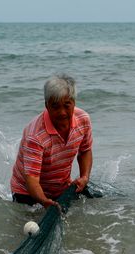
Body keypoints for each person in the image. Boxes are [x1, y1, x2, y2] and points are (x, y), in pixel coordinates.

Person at [11, 74, 93, 208]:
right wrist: (44, 201)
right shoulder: (36, 136)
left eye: (67, 105)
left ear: (74, 102)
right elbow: (31, 179)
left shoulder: (83, 120)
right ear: (46, 106)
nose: (62, 112)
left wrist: (84, 177)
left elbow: (85, 151)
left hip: (60, 186)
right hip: (26, 191)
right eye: (55, 106)